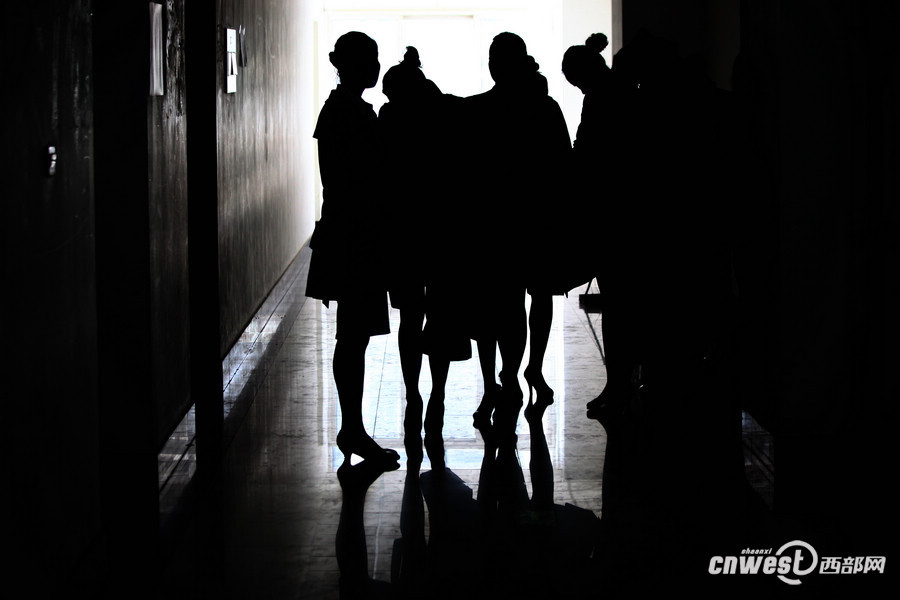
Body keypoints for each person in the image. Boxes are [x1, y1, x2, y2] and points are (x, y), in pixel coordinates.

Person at [463, 32, 570, 445]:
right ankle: (529, 370)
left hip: (491, 225)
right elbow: (563, 167)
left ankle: (496, 380)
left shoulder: (478, 111)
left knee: (495, 306)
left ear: (492, 65)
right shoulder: (545, 109)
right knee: (536, 297)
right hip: (535, 221)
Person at [306, 31, 399, 466]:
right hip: (356, 236)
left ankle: (353, 427)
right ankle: (353, 429)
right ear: (354, 65)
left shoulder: (343, 110)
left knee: (353, 336)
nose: (376, 67)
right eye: (372, 59)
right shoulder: (350, 113)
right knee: (353, 337)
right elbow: (365, 179)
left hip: (349, 232)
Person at [378, 47, 472, 449]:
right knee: (442, 318)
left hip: (403, 233)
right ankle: (436, 392)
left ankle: (414, 391)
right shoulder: (446, 112)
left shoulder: (389, 118)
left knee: (410, 318)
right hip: (444, 233)